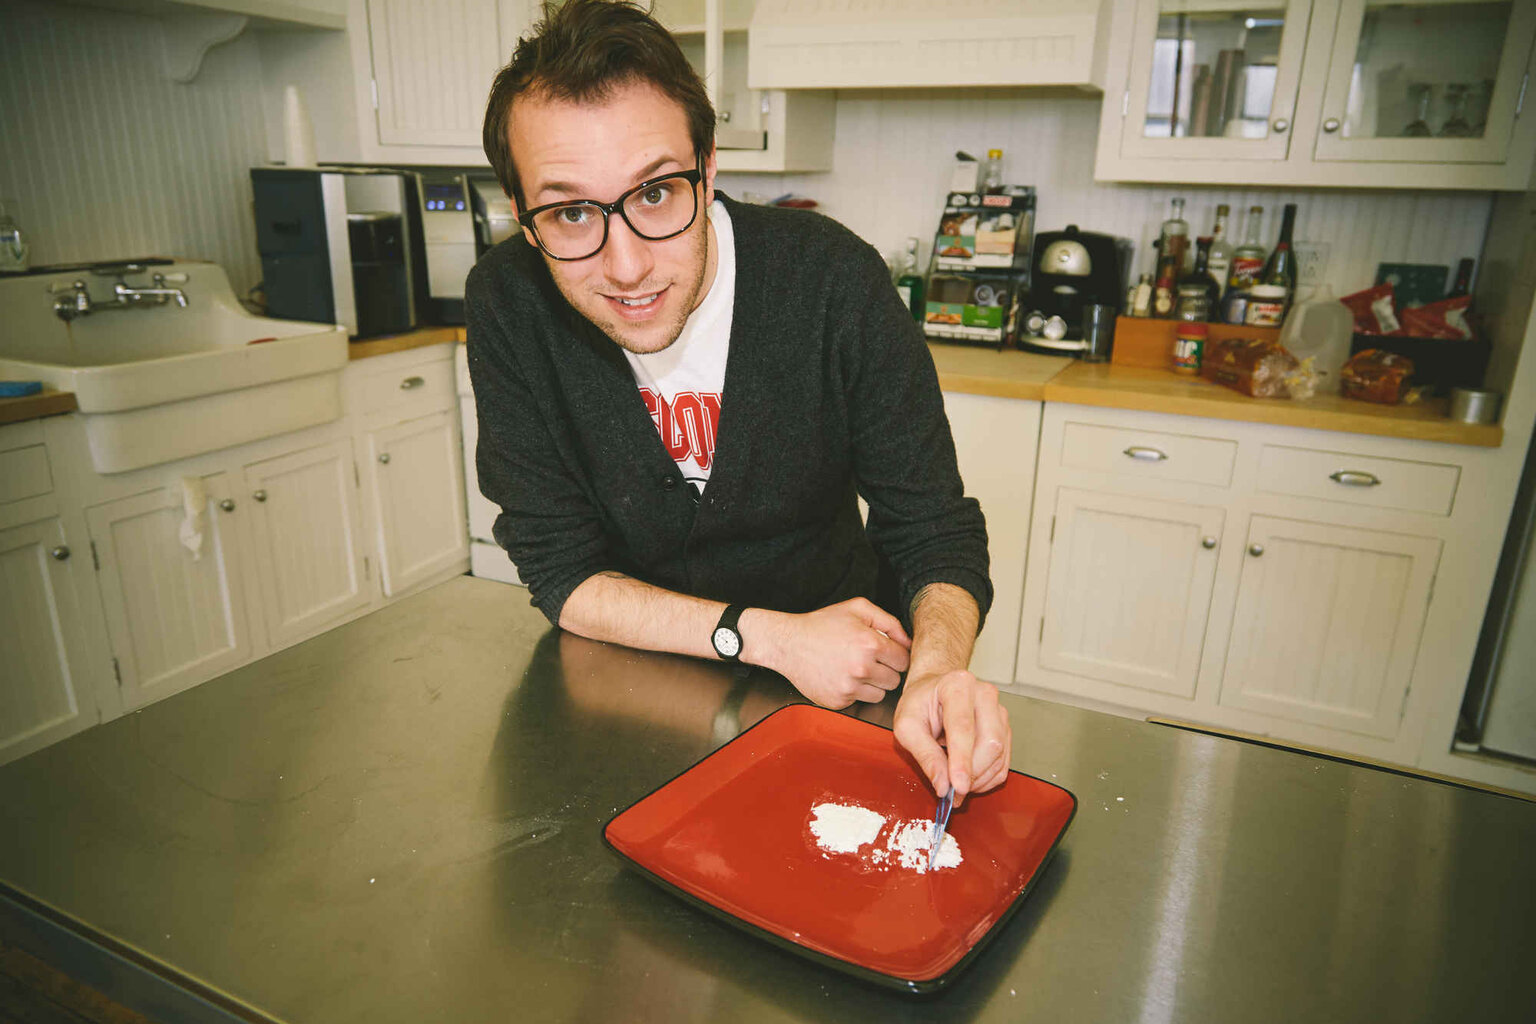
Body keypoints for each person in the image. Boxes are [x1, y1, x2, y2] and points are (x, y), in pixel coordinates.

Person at [467, 0, 1010, 806]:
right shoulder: (508, 300)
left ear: (709, 167)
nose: (626, 266)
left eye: (657, 193)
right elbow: (560, 570)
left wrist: (935, 672)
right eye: (571, 212)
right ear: (522, 214)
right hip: (625, 695)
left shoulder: (831, 280)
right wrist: (766, 637)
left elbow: (933, 527)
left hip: (840, 697)